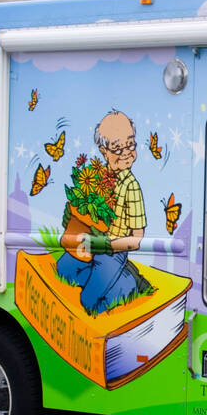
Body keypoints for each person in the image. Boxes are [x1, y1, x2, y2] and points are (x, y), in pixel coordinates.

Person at [55, 110, 149, 314]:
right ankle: (120, 279)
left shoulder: (131, 186)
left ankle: (128, 285)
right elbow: (86, 210)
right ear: (104, 151)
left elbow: (137, 239)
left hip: (112, 252)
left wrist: (104, 244)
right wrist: (71, 214)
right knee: (64, 271)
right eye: (117, 147)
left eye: (130, 144)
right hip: (87, 242)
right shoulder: (97, 176)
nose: (126, 152)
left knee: (89, 302)